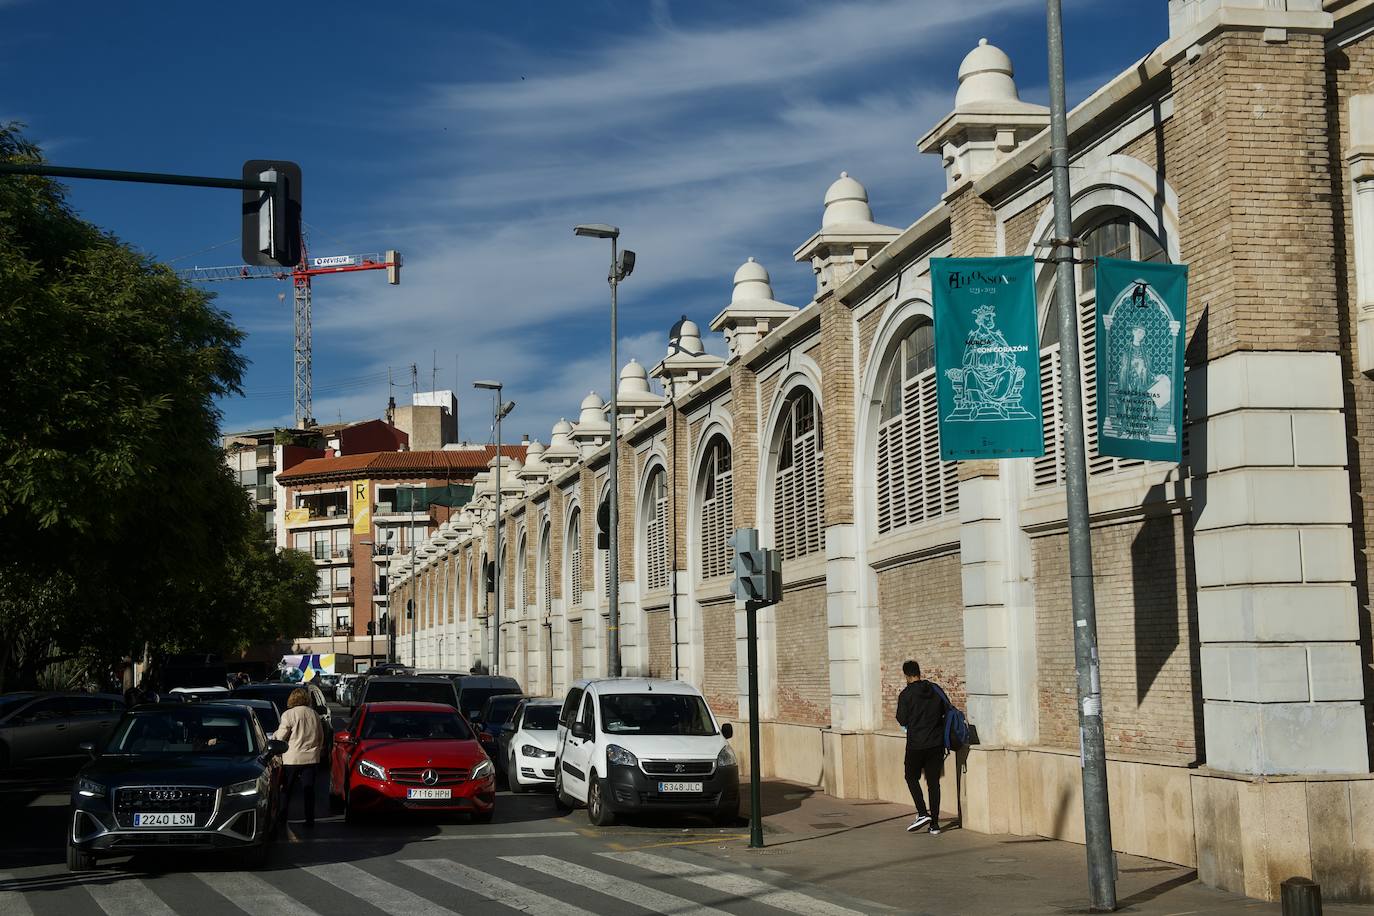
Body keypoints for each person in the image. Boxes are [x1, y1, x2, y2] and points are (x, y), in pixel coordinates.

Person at [896, 659, 948, 835]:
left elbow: (902, 719)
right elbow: (945, 710)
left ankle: (922, 812)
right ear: (919, 672)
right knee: (933, 783)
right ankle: (934, 824)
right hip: (936, 743)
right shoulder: (935, 690)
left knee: (911, 777)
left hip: (916, 745)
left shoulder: (906, 695)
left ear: (907, 675)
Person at [274, 687, 324, 828]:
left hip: (292, 758)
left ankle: (283, 817)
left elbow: (281, 736)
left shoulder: (288, 715)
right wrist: (317, 750)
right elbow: (321, 737)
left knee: (286, 790)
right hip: (311, 758)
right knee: (308, 790)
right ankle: (309, 820)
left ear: (292, 699)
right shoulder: (314, 714)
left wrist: (275, 737)